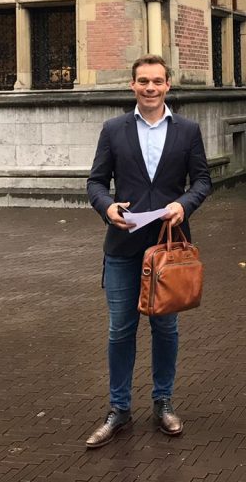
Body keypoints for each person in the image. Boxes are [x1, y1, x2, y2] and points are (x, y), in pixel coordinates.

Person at [85, 55, 212, 450]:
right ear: (133, 85)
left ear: (168, 85)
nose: (150, 88)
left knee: (165, 329)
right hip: (123, 248)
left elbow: (203, 181)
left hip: (168, 250)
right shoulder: (114, 129)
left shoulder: (187, 130)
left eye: (157, 81)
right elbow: (95, 182)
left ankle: (163, 403)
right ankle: (119, 409)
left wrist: (184, 206)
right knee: (120, 330)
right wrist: (107, 208)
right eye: (143, 81)